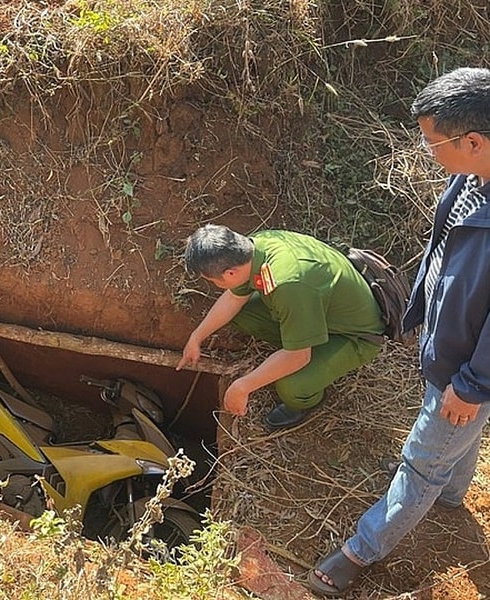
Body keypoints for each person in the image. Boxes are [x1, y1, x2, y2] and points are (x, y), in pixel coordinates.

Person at [309, 66, 490, 597]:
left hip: (467, 368)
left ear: (474, 140)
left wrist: (473, 384)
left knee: (421, 464)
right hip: (454, 353)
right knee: (460, 432)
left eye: (434, 142)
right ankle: (454, 493)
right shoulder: (472, 179)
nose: (429, 152)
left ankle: (357, 553)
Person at [177, 225, 385, 429]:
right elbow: (233, 299)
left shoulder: (289, 284)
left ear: (230, 273)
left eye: (213, 281)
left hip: (353, 336)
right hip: (314, 309)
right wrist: (196, 337)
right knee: (243, 312)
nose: (215, 285)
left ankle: (305, 401)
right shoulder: (253, 248)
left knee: (292, 386)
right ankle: (297, 337)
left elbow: (299, 357)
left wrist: (242, 387)